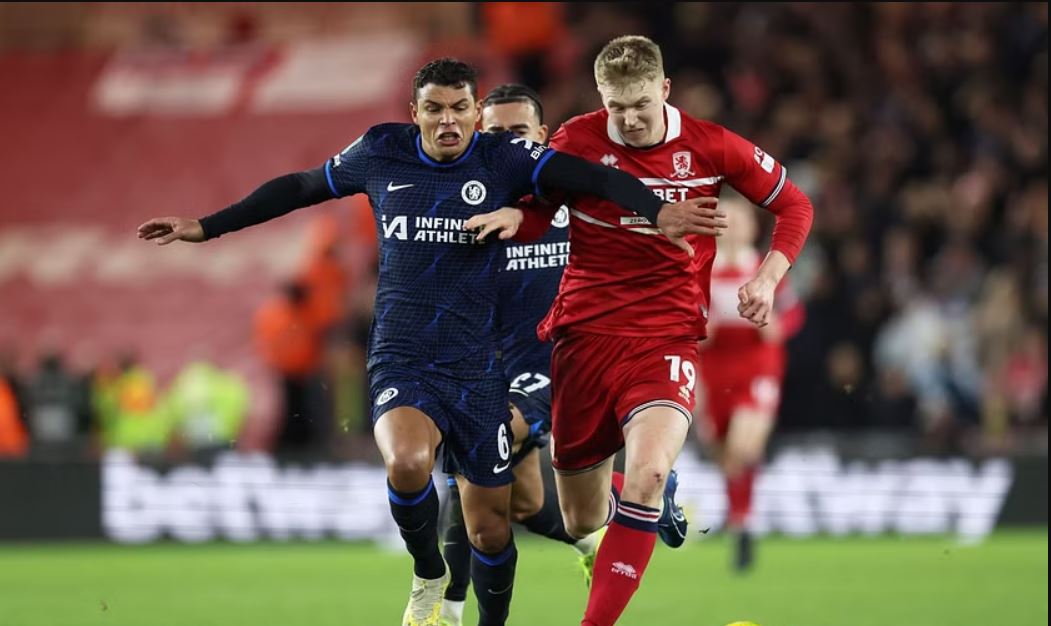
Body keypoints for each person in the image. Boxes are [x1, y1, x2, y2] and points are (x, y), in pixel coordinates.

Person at [137, 57, 721, 626]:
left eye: (462, 109)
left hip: (533, 361)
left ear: (525, 131)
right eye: (436, 109)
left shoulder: (526, 176)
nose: (451, 121)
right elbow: (303, 185)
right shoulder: (386, 152)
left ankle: (521, 572)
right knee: (455, 482)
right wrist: (208, 225)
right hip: (419, 356)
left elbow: (596, 179)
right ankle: (437, 589)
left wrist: (659, 210)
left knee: (493, 511)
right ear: (413, 112)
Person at [466, 36, 813, 625]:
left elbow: (795, 205)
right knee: (580, 519)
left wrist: (769, 276)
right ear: (602, 97)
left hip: (664, 340)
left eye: (641, 105)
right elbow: (542, 213)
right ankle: (638, 495)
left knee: (650, 473)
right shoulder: (576, 139)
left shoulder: (710, 145)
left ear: (664, 90)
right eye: (616, 106)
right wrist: (514, 219)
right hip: (583, 340)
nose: (628, 119)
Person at [438, 84, 600, 626]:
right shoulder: (458, 208)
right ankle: (598, 537)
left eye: (517, 133)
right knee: (525, 504)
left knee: (476, 458)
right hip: (490, 368)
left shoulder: (576, 203)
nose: (506, 143)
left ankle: (444, 609)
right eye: (494, 134)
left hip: (558, 366)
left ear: (542, 136)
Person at [694, 192, 805, 572]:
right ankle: (741, 522)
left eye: (738, 220)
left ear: (752, 228)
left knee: (742, 447)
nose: (732, 227)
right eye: (724, 220)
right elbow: (690, 322)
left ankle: (743, 519)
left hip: (757, 366)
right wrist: (700, 330)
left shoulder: (763, 269)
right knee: (722, 452)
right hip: (714, 370)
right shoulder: (700, 270)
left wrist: (776, 327)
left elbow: (792, 314)